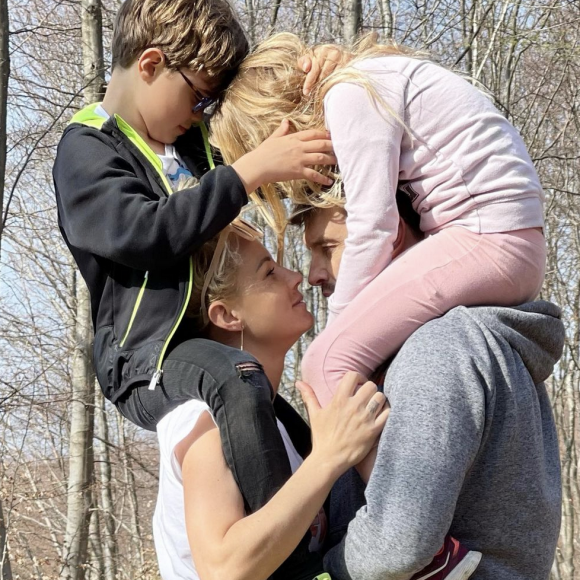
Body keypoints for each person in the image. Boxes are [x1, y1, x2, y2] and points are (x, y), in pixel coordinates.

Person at [52, 5, 345, 574]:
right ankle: (288, 561)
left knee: (282, 420)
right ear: (152, 64)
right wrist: (245, 173)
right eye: (200, 96)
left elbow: (260, 146)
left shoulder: (188, 143)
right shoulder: (87, 151)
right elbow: (148, 234)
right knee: (239, 383)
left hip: (198, 347)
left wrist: (319, 82)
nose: (203, 113)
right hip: (145, 358)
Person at [209, 32, 546, 408]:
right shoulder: (366, 81)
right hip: (501, 240)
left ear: (278, 123)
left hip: (487, 238)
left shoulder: (350, 95)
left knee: (325, 365)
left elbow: (374, 226)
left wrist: (338, 324)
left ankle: (366, 470)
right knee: (366, 362)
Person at [290, 201, 564, 580]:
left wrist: (325, 569)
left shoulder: (437, 348)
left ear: (389, 234)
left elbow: (398, 546)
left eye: (328, 248)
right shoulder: (467, 343)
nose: (313, 274)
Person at [153, 217, 389, 580]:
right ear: (228, 315)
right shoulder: (205, 422)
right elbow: (224, 569)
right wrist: (329, 459)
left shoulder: (273, 422)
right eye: (268, 274)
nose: (295, 276)